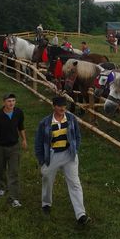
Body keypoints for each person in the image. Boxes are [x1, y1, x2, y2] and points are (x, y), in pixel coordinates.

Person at [34, 96, 90, 225]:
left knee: (75, 183)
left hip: (69, 155)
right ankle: (46, 203)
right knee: (47, 179)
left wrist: (75, 150)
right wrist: (42, 160)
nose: (62, 109)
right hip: (52, 155)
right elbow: (38, 143)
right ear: (53, 106)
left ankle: (81, 214)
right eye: (59, 106)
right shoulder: (45, 123)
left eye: (64, 106)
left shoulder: (71, 119)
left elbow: (77, 136)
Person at [0, 93, 27, 207]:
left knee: (14, 172)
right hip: (0, 148)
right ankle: (2, 187)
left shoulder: (18, 112)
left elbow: (21, 126)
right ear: (4, 102)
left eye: (13, 100)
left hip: (14, 147)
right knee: (1, 170)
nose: (11, 103)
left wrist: (24, 140)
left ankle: (14, 198)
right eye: (9, 101)